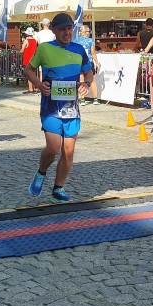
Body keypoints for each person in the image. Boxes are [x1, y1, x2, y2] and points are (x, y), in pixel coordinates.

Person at [24, 13, 94, 203]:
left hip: (72, 107)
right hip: (51, 107)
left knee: (69, 151)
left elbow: (89, 70)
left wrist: (86, 83)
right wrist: (39, 84)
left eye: (70, 28)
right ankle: (41, 173)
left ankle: (58, 189)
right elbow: (28, 70)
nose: (67, 32)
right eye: (62, 29)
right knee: (54, 148)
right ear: (53, 30)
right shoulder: (45, 49)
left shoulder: (79, 49)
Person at [74, 24, 101, 105]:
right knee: (92, 80)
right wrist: (97, 62)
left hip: (79, 62)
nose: (89, 33)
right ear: (85, 32)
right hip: (88, 62)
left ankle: (82, 99)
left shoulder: (76, 41)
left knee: (81, 80)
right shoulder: (90, 41)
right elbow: (93, 53)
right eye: (88, 31)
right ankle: (95, 98)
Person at [21, 27, 39, 94]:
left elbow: (22, 50)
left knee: (29, 74)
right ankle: (34, 88)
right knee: (33, 74)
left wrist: (19, 51)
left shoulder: (26, 41)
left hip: (27, 59)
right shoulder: (34, 40)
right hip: (34, 59)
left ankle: (30, 89)